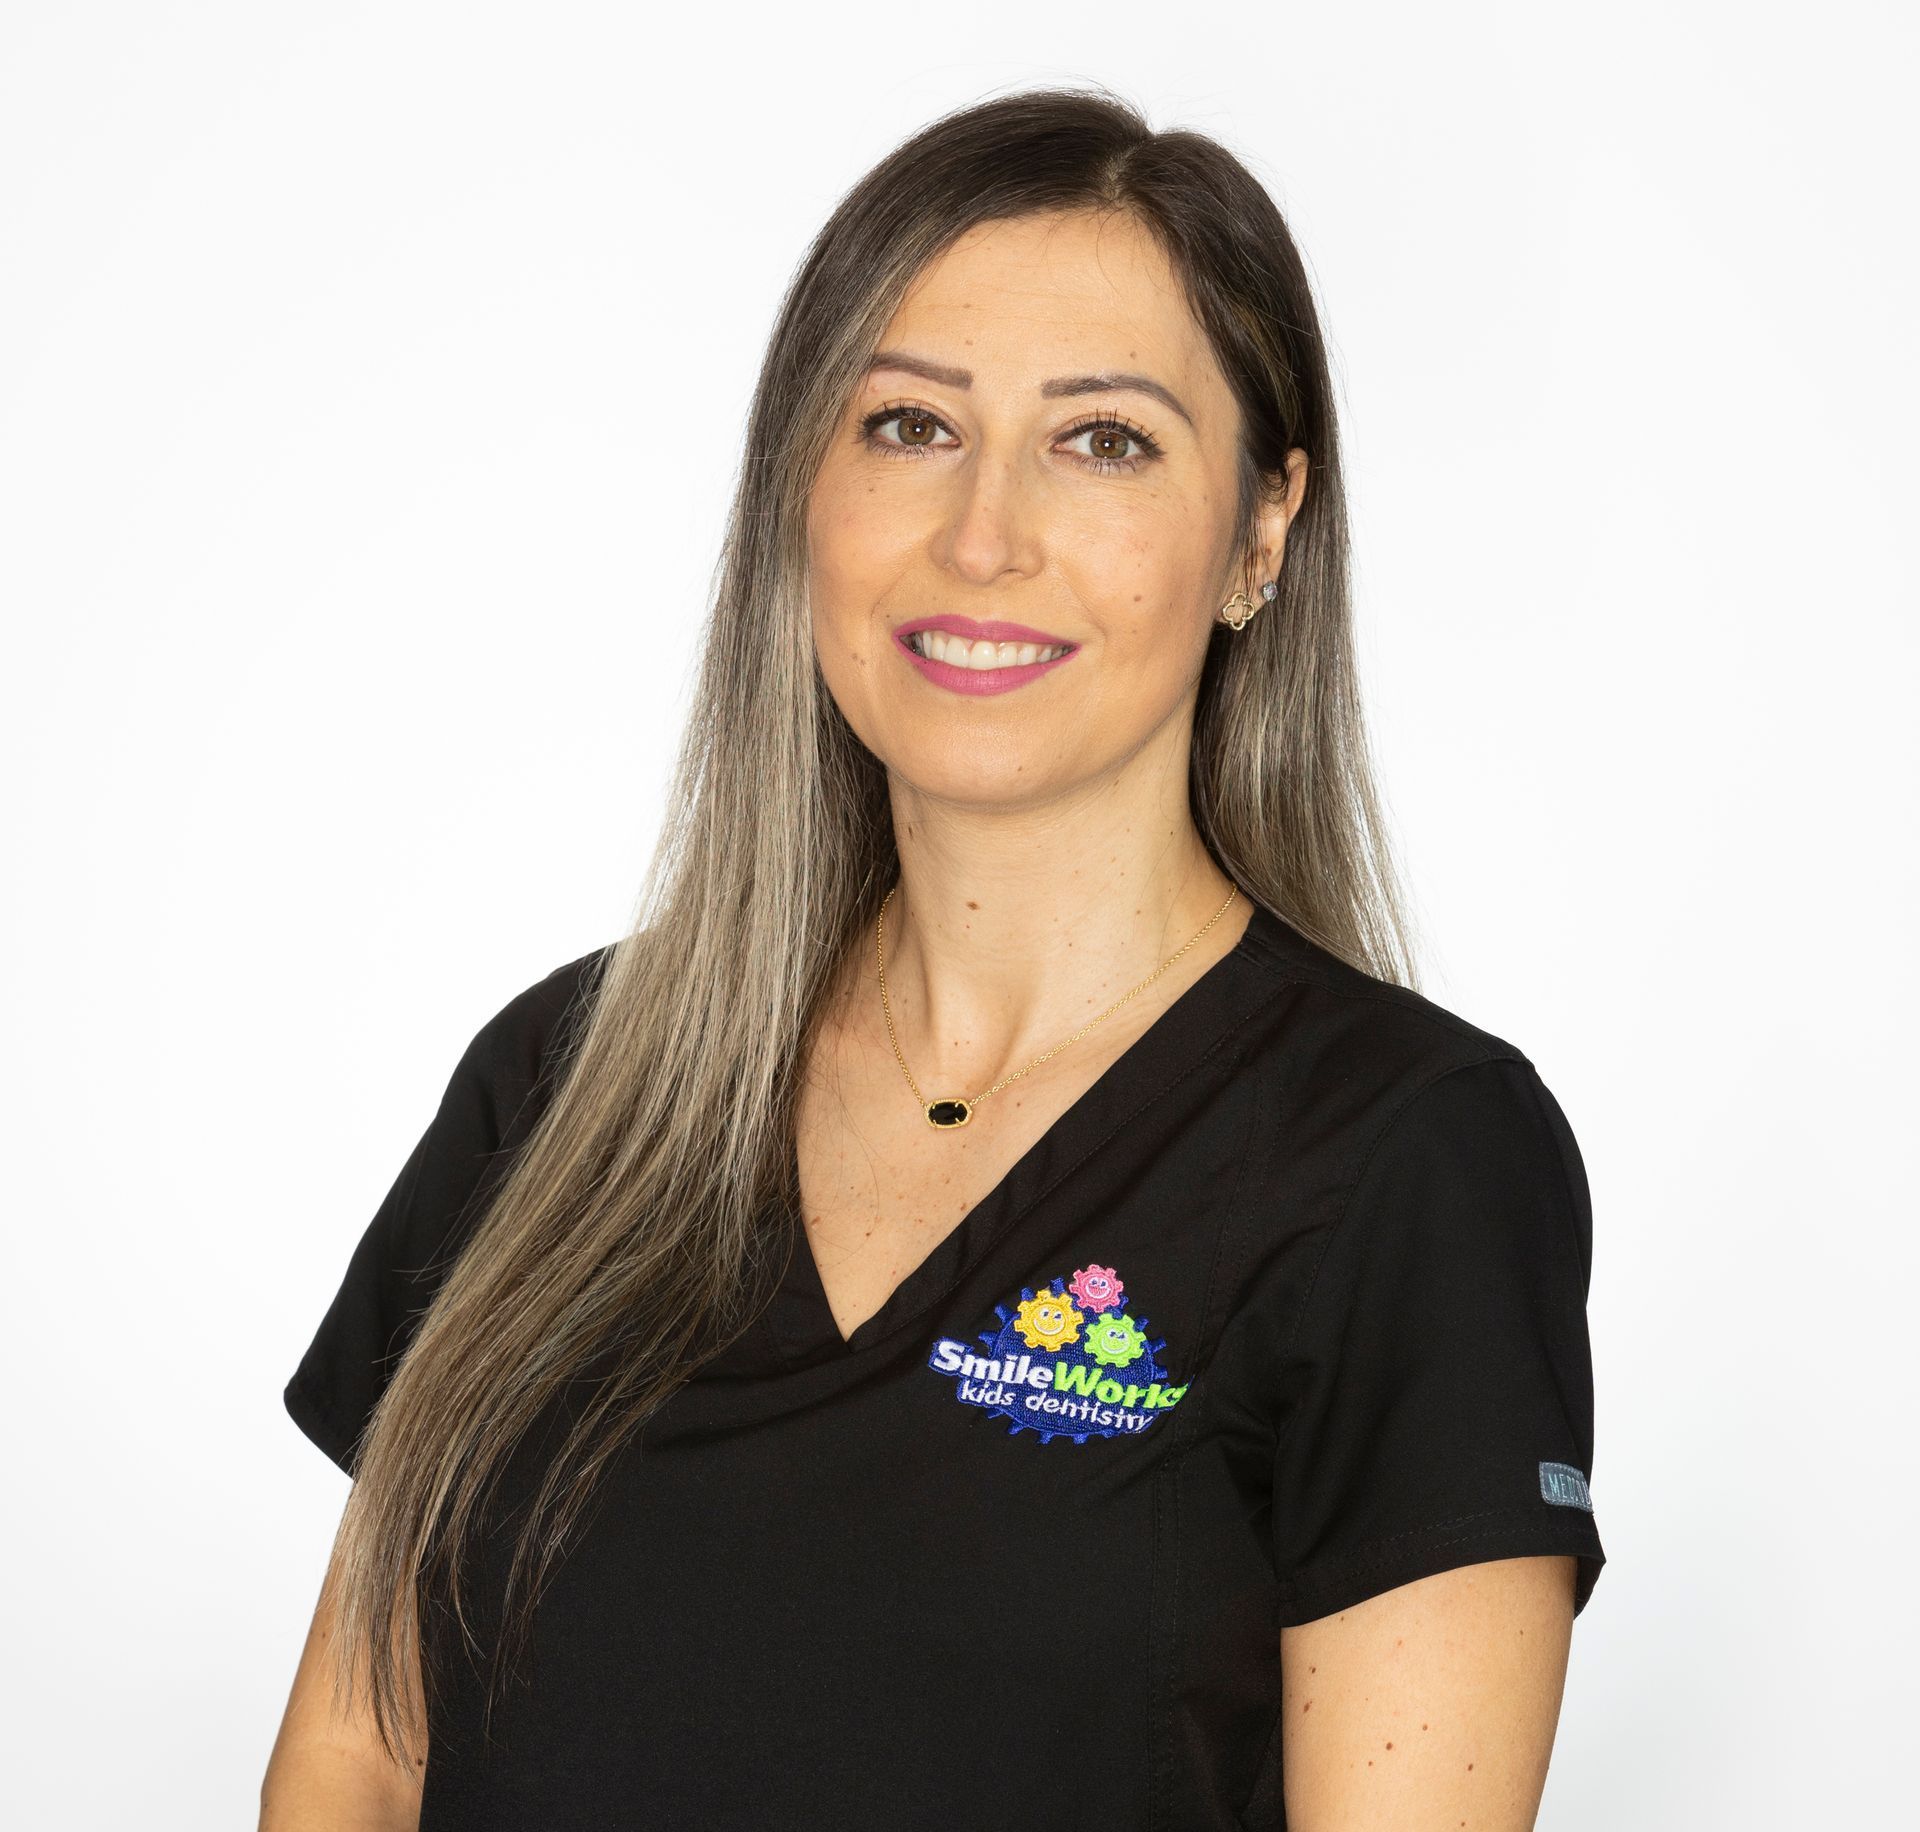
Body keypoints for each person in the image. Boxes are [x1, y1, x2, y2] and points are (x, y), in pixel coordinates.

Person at [261, 84, 1606, 1832]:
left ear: (1262, 533)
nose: (984, 536)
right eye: (907, 426)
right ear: (799, 487)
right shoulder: (567, 1080)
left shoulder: (1405, 1156)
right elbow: (361, 1757)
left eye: (1104, 440)